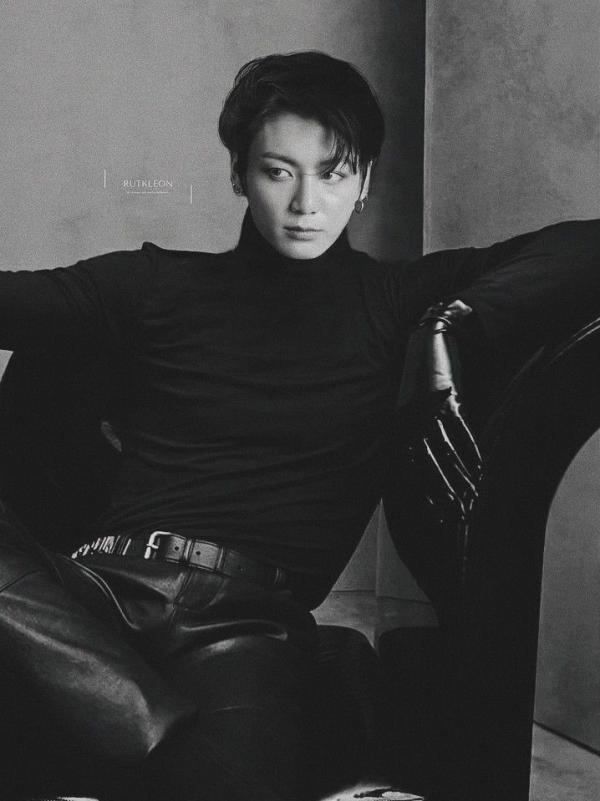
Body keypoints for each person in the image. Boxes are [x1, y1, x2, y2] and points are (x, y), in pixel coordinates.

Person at [0, 49, 599, 801]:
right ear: (239, 175)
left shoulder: (393, 301)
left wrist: (453, 323)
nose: (305, 202)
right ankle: (139, 720)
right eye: (278, 172)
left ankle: (104, 741)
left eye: (334, 173)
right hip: (87, 598)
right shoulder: (154, 285)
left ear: (365, 181)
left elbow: (589, 245)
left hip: (241, 631)